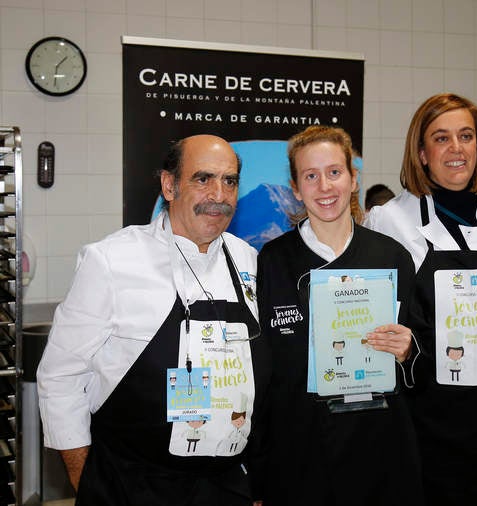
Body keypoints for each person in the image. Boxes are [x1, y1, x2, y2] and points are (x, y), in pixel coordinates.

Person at [36, 134, 267, 505]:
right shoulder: (112, 261)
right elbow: (60, 376)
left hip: (224, 485)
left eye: (230, 181)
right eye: (203, 178)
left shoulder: (248, 260)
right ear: (169, 185)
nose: (219, 195)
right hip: (131, 485)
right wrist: (86, 479)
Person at [365, 93, 477, 505]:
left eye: (466, 136)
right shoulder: (391, 220)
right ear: (421, 153)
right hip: (430, 426)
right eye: (441, 138)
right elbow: (378, 323)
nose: (456, 149)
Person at [250, 125, 424, 505]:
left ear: (353, 178)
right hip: (299, 456)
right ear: (295, 188)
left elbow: (419, 363)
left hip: (379, 448)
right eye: (310, 176)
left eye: (334, 172)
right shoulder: (274, 261)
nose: (325, 187)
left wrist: (409, 350)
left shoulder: (391, 257)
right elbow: (263, 374)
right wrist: (258, 472)